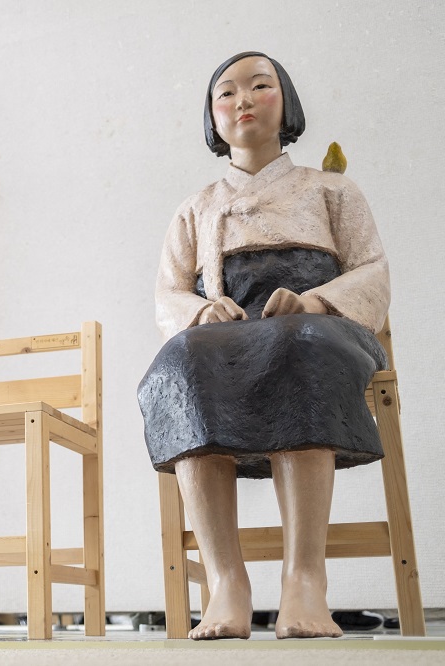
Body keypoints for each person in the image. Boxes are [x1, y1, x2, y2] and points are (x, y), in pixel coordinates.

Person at [138, 52, 390, 640]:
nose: (243, 99)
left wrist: (313, 303)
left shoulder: (332, 190)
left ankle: (305, 579)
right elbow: (167, 292)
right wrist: (203, 309)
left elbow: (373, 271)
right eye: (225, 93)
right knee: (180, 358)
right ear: (212, 117)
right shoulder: (195, 207)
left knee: (301, 345)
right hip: (225, 338)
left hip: (317, 331)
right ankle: (227, 581)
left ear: (287, 102)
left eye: (259, 86)